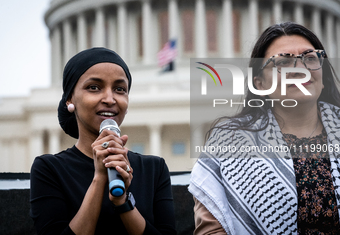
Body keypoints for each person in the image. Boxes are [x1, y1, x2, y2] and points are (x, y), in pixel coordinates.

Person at [189, 22, 340, 234]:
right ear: (260, 84)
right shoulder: (229, 143)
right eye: (284, 62)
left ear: (322, 77)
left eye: (310, 58)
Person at [30, 47, 177, 235]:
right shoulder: (49, 168)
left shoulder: (154, 169)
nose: (110, 99)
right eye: (94, 87)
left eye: (119, 89)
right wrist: (99, 178)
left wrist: (122, 202)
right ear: (69, 99)